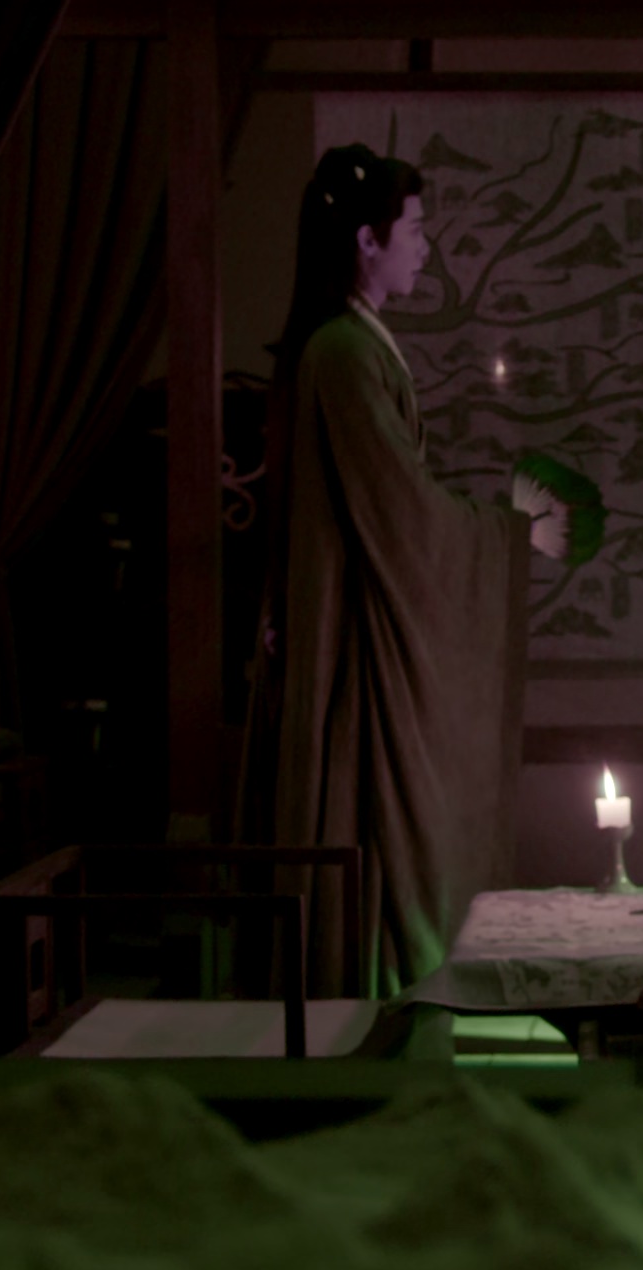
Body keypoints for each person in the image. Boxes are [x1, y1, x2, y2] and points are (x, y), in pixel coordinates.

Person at [237, 145, 572, 998]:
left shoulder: (348, 346)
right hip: (355, 649)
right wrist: (511, 535)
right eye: (415, 229)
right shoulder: (345, 353)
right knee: (376, 824)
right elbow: (404, 513)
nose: (426, 246)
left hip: (355, 629)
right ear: (367, 240)